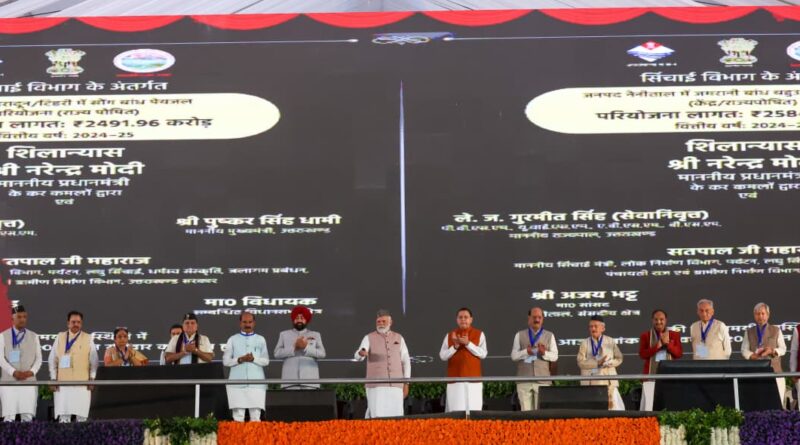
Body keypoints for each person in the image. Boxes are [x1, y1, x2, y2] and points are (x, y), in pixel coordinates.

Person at [354, 309, 410, 418]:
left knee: (396, 415)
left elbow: (406, 361)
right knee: (377, 415)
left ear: (390, 322)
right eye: (378, 322)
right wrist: (361, 353)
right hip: (376, 386)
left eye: (383, 321)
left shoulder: (399, 338)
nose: (381, 324)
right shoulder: (368, 337)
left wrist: (406, 383)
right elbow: (358, 354)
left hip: (396, 385)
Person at [48, 310, 98, 422]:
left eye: (78, 322)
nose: (76, 324)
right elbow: (52, 359)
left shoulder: (88, 338)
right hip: (63, 384)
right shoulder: (60, 337)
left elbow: (94, 361)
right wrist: (53, 378)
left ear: (81, 324)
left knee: (81, 417)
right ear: (68, 323)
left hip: (82, 384)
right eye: (73, 322)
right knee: (64, 417)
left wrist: (92, 378)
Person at [223, 311, 269, 422]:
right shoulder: (232, 339)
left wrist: (253, 359)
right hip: (236, 384)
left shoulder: (260, 339)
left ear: (254, 323)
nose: (247, 324)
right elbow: (226, 361)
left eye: (250, 322)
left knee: (256, 418)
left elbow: (266, 361)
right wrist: (240, 359)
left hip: (256, 384)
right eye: (244, 322)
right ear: (240, 323)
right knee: (238, 418)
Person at [439, 307, 487, 412]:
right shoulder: (450, 335)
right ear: (457, 320)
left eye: (466, 317)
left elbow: (483, 354)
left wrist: (468, 344)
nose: (463, 319)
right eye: (460, 317)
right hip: (455, 381)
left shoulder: (479, 334)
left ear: (471, 319)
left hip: (474, 381)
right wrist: (455, 347)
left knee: (474, 412)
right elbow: (442, 356)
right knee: (456, 412)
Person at [510, 307, 558, 411]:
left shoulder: (550, 335)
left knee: (540, 414)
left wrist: (544, 353)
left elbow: (555, 356)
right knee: (526, 414)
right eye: (534, 317)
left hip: (543, 380)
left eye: (539, 317)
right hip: (524, 380)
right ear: (529, 318)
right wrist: (525, 352)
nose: (537, 320)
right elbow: (514, 356)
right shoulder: (519, 335)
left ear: (542, 319)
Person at [0, 305, 42, 422]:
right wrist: (13, 372)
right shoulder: (3, 336)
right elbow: (1, 359)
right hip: (9, 382)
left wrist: (31, 372)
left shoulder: (34, 336)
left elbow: (39, 359)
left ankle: (28, 435)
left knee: (27, 416)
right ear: (12, 319)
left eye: (24, 317)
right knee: (9, 416)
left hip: (28, 382)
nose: (22, 319)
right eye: (19, 317)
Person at [741, 302, 786, 407]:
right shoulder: (749, 331)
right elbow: (744, 350)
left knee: (778, 403)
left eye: (763, 313)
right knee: (757, 403)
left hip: (775, 372)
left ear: (768, 315)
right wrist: (752, 355)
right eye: (757, 314)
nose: (760, 316)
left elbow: (783, 349)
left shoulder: (776, 330)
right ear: (754, 315)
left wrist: (773, 351)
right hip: (755, 372)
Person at [638, 309, 682, 411]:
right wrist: (657, 346)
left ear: (666, 320)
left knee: (669, 404)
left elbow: (679, 354)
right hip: (650, 376)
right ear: (652, 320)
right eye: (656, 319)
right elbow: (642, 354)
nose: (658, 322)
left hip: (669, 375)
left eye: (661, 319)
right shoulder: (645, 335)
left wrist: (668, 344)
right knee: (649, 406)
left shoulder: (674, 335)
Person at [577, 315, 624, 410]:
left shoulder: (610, 341)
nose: (593, 329)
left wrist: (610, 362)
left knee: (613, 410)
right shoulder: (585, 343)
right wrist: (597, 363)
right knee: (592, 412)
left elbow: (619, 358)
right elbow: (580, 362)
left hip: (608, 381)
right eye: (591, 326)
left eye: (595, 326)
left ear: (603, 328)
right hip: (591, 382)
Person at [274, 305, 325, 389]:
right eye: (297, 318)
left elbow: (322, 354)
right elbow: (276, 354)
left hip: (310, 380)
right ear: (293, 319)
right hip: (289, 380)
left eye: (302, 318)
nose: (299, 320)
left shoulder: (316, 335)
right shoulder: (284, 334)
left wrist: (306, 347)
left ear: (306, 320)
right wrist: (294, 349)